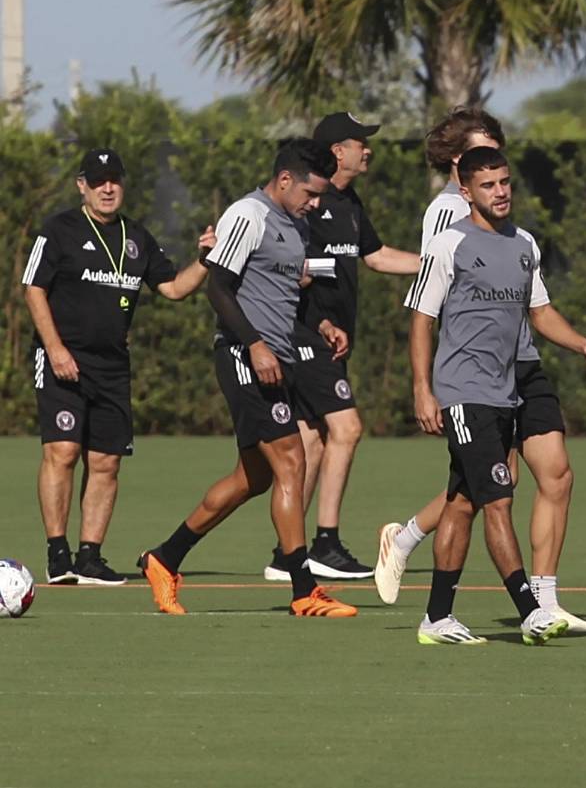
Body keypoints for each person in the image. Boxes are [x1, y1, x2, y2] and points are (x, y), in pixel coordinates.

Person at [376, 107, 586, 633]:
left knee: (465, 500)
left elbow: (540, 312)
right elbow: (422, 317)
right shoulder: (448, 235)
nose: (500, 191)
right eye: (488, 184)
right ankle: (532, 611)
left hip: (508, 383)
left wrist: (584, 344)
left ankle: (437, 614)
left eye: (504, 181)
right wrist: (423, 390)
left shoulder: (524, 243)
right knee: (498, 497)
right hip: (464, 388)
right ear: (465, 186)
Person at [137, 139, 356, 618]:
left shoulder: (295, 225)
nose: (314, 204)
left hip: (277, 358)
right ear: (285, 180)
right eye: (310, 194)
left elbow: (286, 294)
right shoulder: (247, 215)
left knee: (252, 478)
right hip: (243, 355)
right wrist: (255, 345)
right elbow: (218, 288)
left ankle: (164, 558)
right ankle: (303, 590)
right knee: (292, 462)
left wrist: (321, 324)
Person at [22, 148, 212, 586]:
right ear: (82, 186)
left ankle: (90, 557)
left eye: (114, 180)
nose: (107, 188)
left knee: (106, 461)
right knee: (63, 452)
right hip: (63, 357)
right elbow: (33, 288)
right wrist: (55, 349)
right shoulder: (59, 230)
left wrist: (205, 259)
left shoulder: (137, 236)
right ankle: (58, 555)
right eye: (98, 181)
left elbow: (173, 288)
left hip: (112, 366)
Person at [261, 112, 422, 582]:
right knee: (347, 429)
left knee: (313, 438)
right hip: (303, 332)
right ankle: (324, 544)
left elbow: (376, 256)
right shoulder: (305, 201)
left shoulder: (349, 202)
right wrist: (315, 302)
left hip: (330, 340)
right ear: (337, 151)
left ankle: (287, 553)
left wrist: (437, 263)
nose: (367, 150)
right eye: (359, 143)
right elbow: (284, 262)